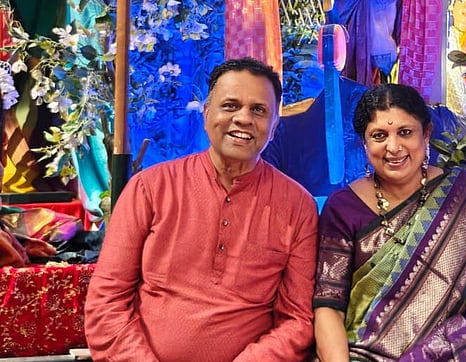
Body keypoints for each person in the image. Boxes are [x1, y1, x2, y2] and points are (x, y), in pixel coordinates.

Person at [85, 57, 319, 361]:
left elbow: (297, 320)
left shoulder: (298, 206)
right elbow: (107, 300)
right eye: (230, 106)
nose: (244, 118)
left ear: (274, 127)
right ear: (207, 115)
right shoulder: (150, 188)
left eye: (259, 110)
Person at [313, 83, 466, 360]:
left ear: (425, 135)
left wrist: (464, 346)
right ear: (364, 143)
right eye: (379, 135)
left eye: (405, 132)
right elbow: (329, 305)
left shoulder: (462, 194)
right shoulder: (343, 207)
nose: (393, 147)